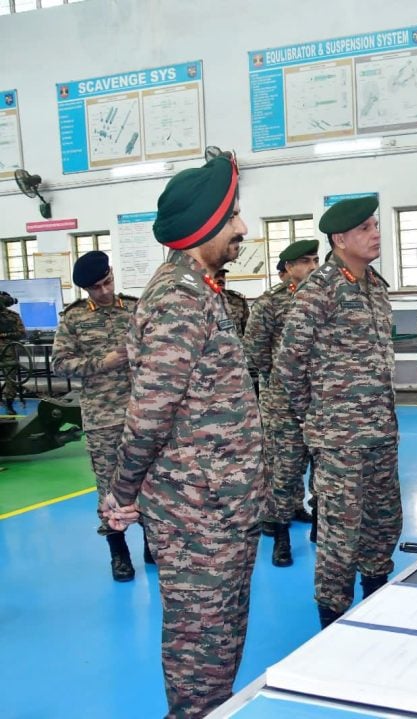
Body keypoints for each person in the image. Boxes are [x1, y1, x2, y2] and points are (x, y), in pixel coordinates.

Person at [101, 155, 267, 718]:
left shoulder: (201, 288)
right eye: (234, 217)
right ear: (204, 226)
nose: (243, 228)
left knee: (220, 643)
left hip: (220, 504)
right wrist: (122, 493)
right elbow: (150, 411)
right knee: (202, 651)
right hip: (198, 512)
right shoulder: (179, 296)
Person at [274, 196, 401, 629]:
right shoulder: (320, 289)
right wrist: (319, 416)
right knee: (340, 534)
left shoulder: (376, 286)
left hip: (381, 432)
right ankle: (332, 618)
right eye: (365, 228)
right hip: (339, 439)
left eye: (375, 225)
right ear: (340, 238)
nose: (376, 233)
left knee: (383, 523)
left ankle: (377, 601)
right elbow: (289, 363)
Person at [51, 252, 141, 582]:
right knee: (109, 486)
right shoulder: (73, 319)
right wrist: (104, 362)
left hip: (142, 413)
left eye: (107, 283)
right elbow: (60, 364)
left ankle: (152, 544)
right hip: (102, 417)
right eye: (96, 288)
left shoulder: (134, 308)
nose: (104, 292)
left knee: (151, 481)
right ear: (86, 289)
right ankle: (119, 552)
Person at [245, 240, 320, 567]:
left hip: (321, 400)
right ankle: (281, 535)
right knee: (283, 470)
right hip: (283, 404)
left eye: (316, 260)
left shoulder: (324, 298)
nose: (314, 267)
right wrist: (279, 377)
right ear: (288, 267)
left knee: (322, 469)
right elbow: (256, 351)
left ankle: (319, 524)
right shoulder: (269, 304)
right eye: (306, 261)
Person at [0, 291, 25, 414]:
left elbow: (21, 333)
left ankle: (9, 404)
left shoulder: (13, 316)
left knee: (11, 379)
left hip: (8, 350)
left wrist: (5, 335)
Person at [215, 267, 249, 336]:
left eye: (222, 276)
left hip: (236, 345)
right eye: (216, 276)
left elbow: (247, 329)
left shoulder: (238, 299)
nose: (221, 279)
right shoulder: (201, 299)